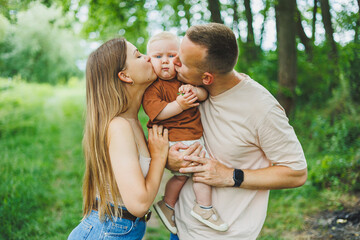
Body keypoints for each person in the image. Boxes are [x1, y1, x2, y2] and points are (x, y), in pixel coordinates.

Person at [166, 23, 308, 239]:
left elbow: (296, 173)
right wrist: (170, 160)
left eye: (182, 62)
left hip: (225, 234)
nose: (174, 62)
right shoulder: (190, 91)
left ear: (207, 78)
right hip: (181, 228)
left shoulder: (262, 109)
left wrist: (231, 176)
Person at [67, 38, 171, 240]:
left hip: (117, 229)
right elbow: (139, 204)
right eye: (139, 55)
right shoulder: (119, 126)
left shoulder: (131, 120)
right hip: (108, 233)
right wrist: (158, 157)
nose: (149, 58)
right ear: (125, 75)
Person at [142, 32, 228, 234]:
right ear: (149, 60)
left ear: (179, 59)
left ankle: (167, 204)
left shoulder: (183, 80)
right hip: (176, 140)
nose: (165, 61)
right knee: (201, 170)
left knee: (181, 177)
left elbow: (204, 94)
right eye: (158, 56)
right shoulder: (152, 88)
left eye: (171, 56)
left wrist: (195, 92)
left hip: (191, 137)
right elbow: (159, 113)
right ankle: (204, 208)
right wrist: (179, 105)